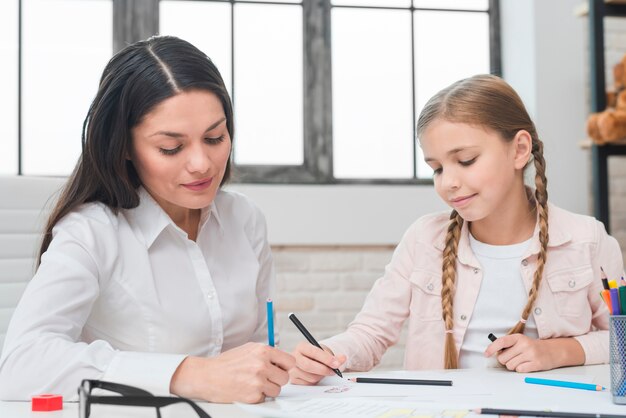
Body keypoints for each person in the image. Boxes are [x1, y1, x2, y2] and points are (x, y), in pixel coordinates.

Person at [0, 35, 294, 403]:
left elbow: (257, 350)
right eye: (171, 147)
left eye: (215, 137)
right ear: (124, 146)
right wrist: (188, 374)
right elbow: (19, 365)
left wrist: (283, 368)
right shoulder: (92, 231)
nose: (202, 163)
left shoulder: (245, 218)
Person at [289, 74, 624, 385]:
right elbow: (371, 332)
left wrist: (559, 351)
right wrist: (329, 354)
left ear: (519, 150)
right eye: (436, 168)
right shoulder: (424, 240)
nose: (448, 182)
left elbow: (621, 339)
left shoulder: (586, 240)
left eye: (465, 161)